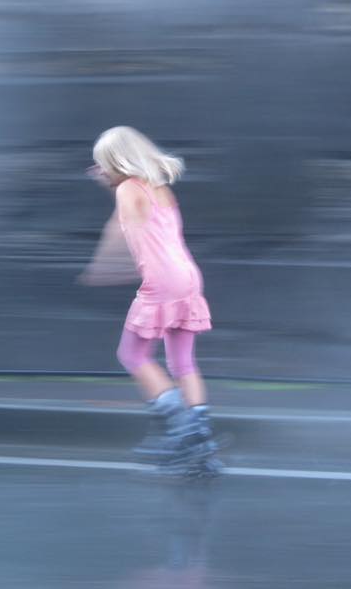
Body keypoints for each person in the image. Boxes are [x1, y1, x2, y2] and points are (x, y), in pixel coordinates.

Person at [81, 126, 217, 474]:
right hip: (188, 275)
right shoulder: (159, 188)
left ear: (115, 162)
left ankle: (182, 431)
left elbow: (119, 230)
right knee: (182, 362)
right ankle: (201, 439)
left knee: (132, 353)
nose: (103, 171)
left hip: (163, 281)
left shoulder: (128, 189)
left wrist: (102, 268)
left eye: (104, 164)